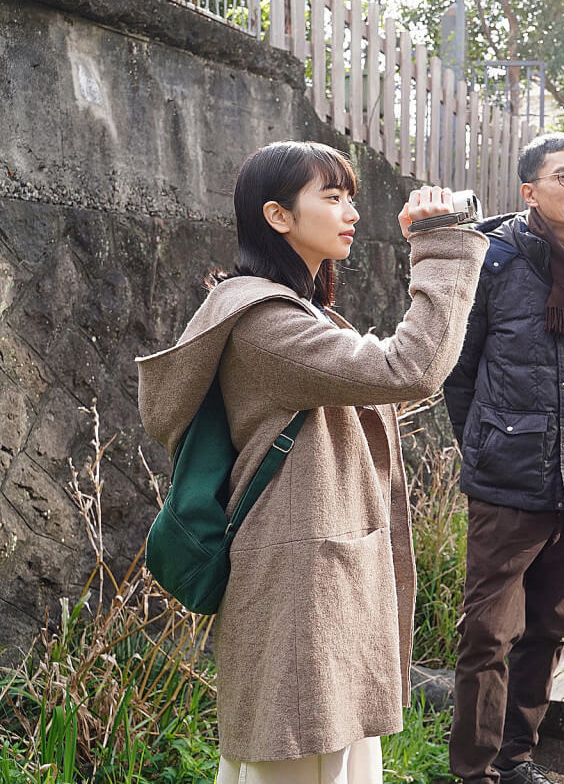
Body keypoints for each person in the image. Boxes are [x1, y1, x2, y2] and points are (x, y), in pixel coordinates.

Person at [136, 141, 488, 783]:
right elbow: (409, 368)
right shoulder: (266, 324)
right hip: (300, 591)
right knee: (297, 762)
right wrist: (442, 245)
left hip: (321, 581)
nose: (350, 212)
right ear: (278, 216)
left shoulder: (302, 313)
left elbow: (395, 381)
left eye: (350, 196)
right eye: (331, 197)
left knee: (332, 759)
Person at [443, 132, 564, 784]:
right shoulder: (491, 261)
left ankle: (517, 757)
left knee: (550, 626)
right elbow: (458, 371)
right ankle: (474, 770)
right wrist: (488, 443)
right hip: (507, 480)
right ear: (529, 191)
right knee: (488, 634)